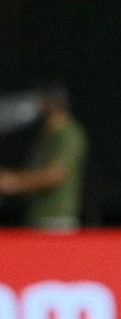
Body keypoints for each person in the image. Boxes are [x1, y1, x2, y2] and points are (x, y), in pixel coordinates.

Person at [0, 83, 87, 230]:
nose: (38, 106)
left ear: (51, 103)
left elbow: (55, 175)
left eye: (41, 101)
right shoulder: (45, 133)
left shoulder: (68, 134)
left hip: (55, 219)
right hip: (36, 216)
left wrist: (13, 182)